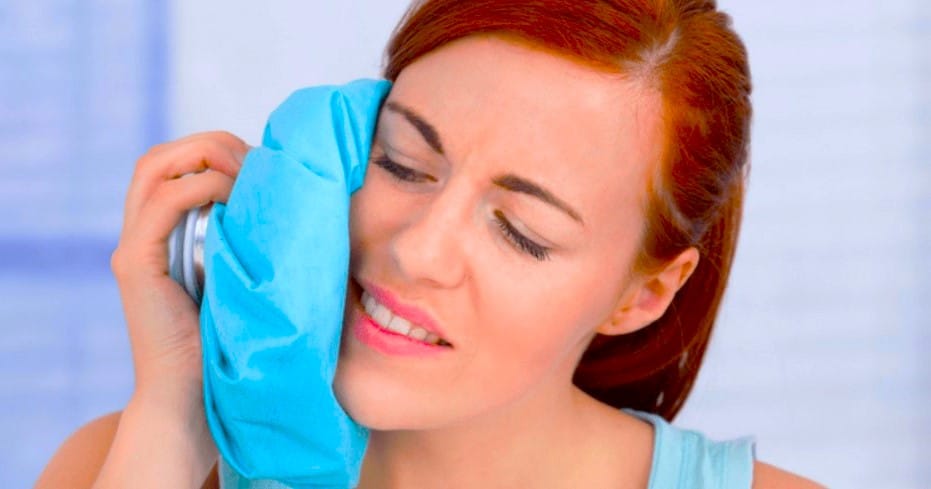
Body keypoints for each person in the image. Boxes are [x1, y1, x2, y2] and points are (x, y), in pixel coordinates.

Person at [37, 0, 824, 487]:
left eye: (521, 233)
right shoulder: (124, 462)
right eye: (402, 163)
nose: (418, 250)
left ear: (641, 294)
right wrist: (175, 423)